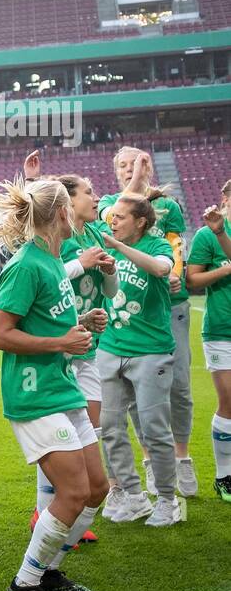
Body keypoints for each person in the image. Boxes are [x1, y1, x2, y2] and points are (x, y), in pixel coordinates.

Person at [0, 178, 108, 591]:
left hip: (63, 389)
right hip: (35, 396)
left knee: (96, 488)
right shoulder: (27, 264)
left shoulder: (54, 261)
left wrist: (82, 323)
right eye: (72, 207)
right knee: (72, 492)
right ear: (61, 214)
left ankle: (49, 569)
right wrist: (60, 344)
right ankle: (25, 585)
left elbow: (46, 321)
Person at [24, 153, 116, 544]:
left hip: (86, 348)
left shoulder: (94, 235)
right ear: (68, 203)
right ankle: (47, 513)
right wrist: (81, 262)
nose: (96, 199)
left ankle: (65, 515)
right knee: (61, 438)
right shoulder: (57, 243)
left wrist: (109, 273)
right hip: (57, 353)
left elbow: (112, 293)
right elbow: (46, 278)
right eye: (88, 193)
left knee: (86, 433)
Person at [98, 148, 195, 495]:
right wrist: (136, 182)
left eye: (137, 164)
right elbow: (117, 216)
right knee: (135, 395)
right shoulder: (111, 204)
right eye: (122, 165)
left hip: (171, 302)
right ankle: (151, 461)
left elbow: (174, 247)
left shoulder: (168, 205)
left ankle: (181, 458)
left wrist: (174, 276)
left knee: (180, 386)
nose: (129, 170)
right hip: (129, 316)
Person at [97, 194, 182, 527]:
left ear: (141, 222)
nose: (112, 221)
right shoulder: (109, 241)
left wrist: (120, 249)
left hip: (150, 351)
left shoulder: (158, 245)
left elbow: (163, 269)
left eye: (120, 217)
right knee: (110, 428)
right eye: (111, 216)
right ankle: (133, 496)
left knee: (154, 430)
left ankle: (167, 499)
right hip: (111, 347)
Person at [186, 183, 231, 503]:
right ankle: (224, 475)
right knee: (229, 401)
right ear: (225, 199)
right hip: (221, 329)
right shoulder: (207, 235)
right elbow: (192, 280)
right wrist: (225, 271)